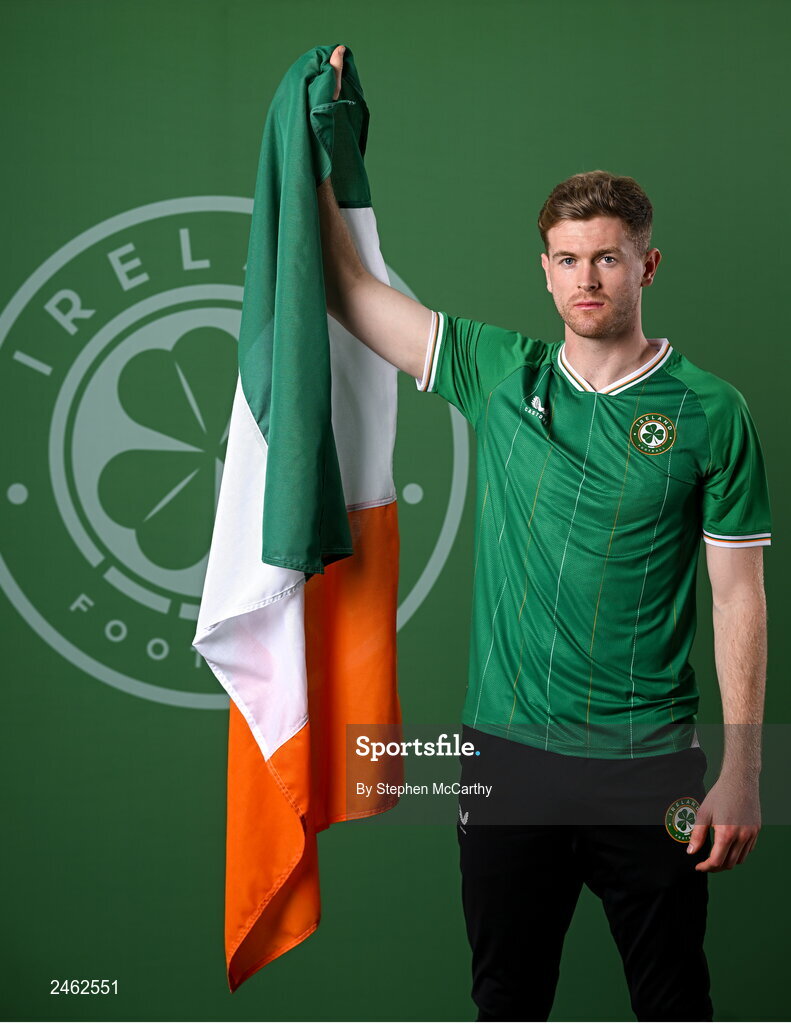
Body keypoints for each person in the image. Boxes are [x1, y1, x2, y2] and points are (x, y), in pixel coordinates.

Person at [318, 44, 771, 1022]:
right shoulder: (496, 371)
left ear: (646, 264)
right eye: (567, 259)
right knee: (506, 1001)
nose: (586, 277)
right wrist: (321, 135)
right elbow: (349, 291)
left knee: (673, 1002)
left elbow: (738, 594)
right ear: (544, 270)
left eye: (606, 256)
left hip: (649, 763)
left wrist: (742, 769)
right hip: (505, 761)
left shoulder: (710, 411)